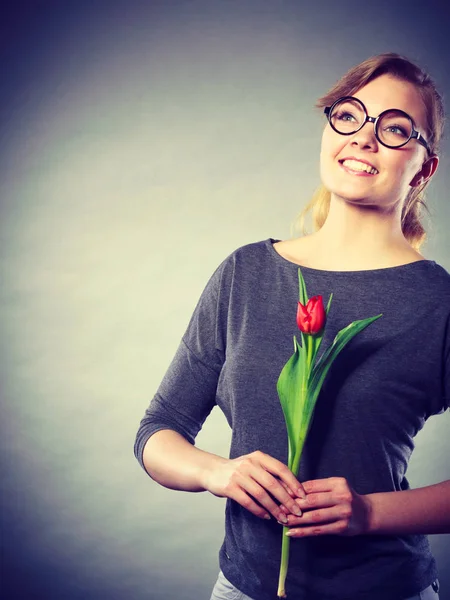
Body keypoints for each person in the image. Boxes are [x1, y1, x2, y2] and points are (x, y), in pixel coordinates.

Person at [134, 53, 449, 600]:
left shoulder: (437, 302)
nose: (364, 138)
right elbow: (157, 431)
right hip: (243, 589)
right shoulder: (246, 273)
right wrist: (218, 473)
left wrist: (368, 512)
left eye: (396, 129)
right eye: (349, 116)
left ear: (423, 167)